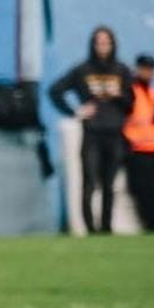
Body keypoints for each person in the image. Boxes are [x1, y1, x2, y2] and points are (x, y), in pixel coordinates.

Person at [48, 27, 134, 234]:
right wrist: (75, 111)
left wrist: (119, 95)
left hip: (114, 134)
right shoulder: (83, 69)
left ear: (113, 45)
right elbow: (55, 90)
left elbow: (131, 104)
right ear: (93, 45)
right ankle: (89, 228)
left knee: (109, 184)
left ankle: (106, 227)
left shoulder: (121, 70)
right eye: (99, 42)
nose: (103, 47)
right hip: (92, 133)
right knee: (90, 182)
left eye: (107, 42)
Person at [122, 54, 154, 231]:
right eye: (145, 69)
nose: (148, 73)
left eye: (151, 69)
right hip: (137, 149)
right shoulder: (131, 92)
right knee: (141, 191)